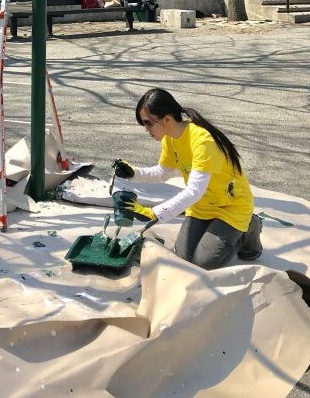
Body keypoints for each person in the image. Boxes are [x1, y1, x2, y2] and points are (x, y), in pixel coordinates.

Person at [112, 87, 263, 271]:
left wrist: (154, 213)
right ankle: (216, 228)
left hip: (230, 207)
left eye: (148, 123)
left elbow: (194, 191)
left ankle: (249, 227)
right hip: (202, 207)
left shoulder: (202, 141)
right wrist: (133, 173)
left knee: (205, 263)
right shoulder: (170, 138)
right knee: (183, 256)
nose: (146, 129)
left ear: (166, 119)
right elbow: (162, 172)